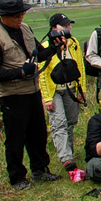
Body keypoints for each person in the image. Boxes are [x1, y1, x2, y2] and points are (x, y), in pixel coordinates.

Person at [0, 0, 62, 190]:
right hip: (11, 95)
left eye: (22, 14)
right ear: (4, 16)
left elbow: (38, 54)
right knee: (16, 137)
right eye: (16, 16)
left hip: (32, 90)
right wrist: (19, 72)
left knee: (38, 133)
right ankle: (17, 177)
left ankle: (40, 169)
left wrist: (53, 47)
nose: (21, 19)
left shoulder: (25, 29)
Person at [39, 13, 87, 172]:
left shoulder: (73, 44)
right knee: (59, 122)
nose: (68, 28)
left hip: (71, 87)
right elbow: (42, 73)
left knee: (72, 120)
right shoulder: (45, 47)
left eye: (69, 25)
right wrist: (46, 97)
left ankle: (69, 151)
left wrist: (82, 89)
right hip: (54, 91)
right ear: (54, 29)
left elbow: (80, 67)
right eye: (64, 26)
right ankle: (66, 158)